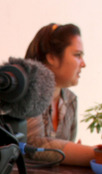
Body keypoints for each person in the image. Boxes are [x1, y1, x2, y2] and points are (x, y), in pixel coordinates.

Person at [24, 22, 97, 166]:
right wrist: (97, 155)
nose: (83, 64)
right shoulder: (24, 94)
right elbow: (34, 146)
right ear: (51, 57)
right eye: (77, 55)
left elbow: (62, 155)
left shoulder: (70, 99)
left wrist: (79, 152)